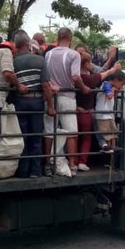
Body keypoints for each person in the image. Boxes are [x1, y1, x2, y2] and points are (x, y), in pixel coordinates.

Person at [44, 28, 90, 175]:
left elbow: (45, 77)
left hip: (50, 96)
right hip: (68, 96)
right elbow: (76, 77)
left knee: (49, 131)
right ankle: (72, 164)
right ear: (70, 39)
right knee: (71, 132)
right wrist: (84, 88)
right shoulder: (73, 54)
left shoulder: (49, 54)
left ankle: (47, 164)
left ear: (58, 38)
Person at [12, 31, 55, 179]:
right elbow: (45, 85)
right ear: (27, 43)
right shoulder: (39, 60)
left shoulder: (13, 61)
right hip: (36, 101)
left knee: (23, 137)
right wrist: (50, 106)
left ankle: (23, 171)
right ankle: (35, 171)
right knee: (36, 137)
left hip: (20, 101)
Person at [77, 51, 121, 171]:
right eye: (89, 62)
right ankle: (81, 161)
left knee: (74, 137)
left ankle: (73, 162)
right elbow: (102, 74)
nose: (91, 64)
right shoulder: (87, 78)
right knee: (86, 137)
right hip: (87, 111)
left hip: (75, 109)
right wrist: (113, 69)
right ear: (85, 64)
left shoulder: (74, 75)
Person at [94, 71, 125, 153]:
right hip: (102, 114)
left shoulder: (111, 86)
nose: (121, 87)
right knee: (106, 133)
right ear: (116, 80)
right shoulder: (106, 84)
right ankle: (107, 147)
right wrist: (113, 89)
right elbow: (109, 96)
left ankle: (113, 146)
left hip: (108, 114)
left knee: (113, 131)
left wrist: (115, 91)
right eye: (122, 84)